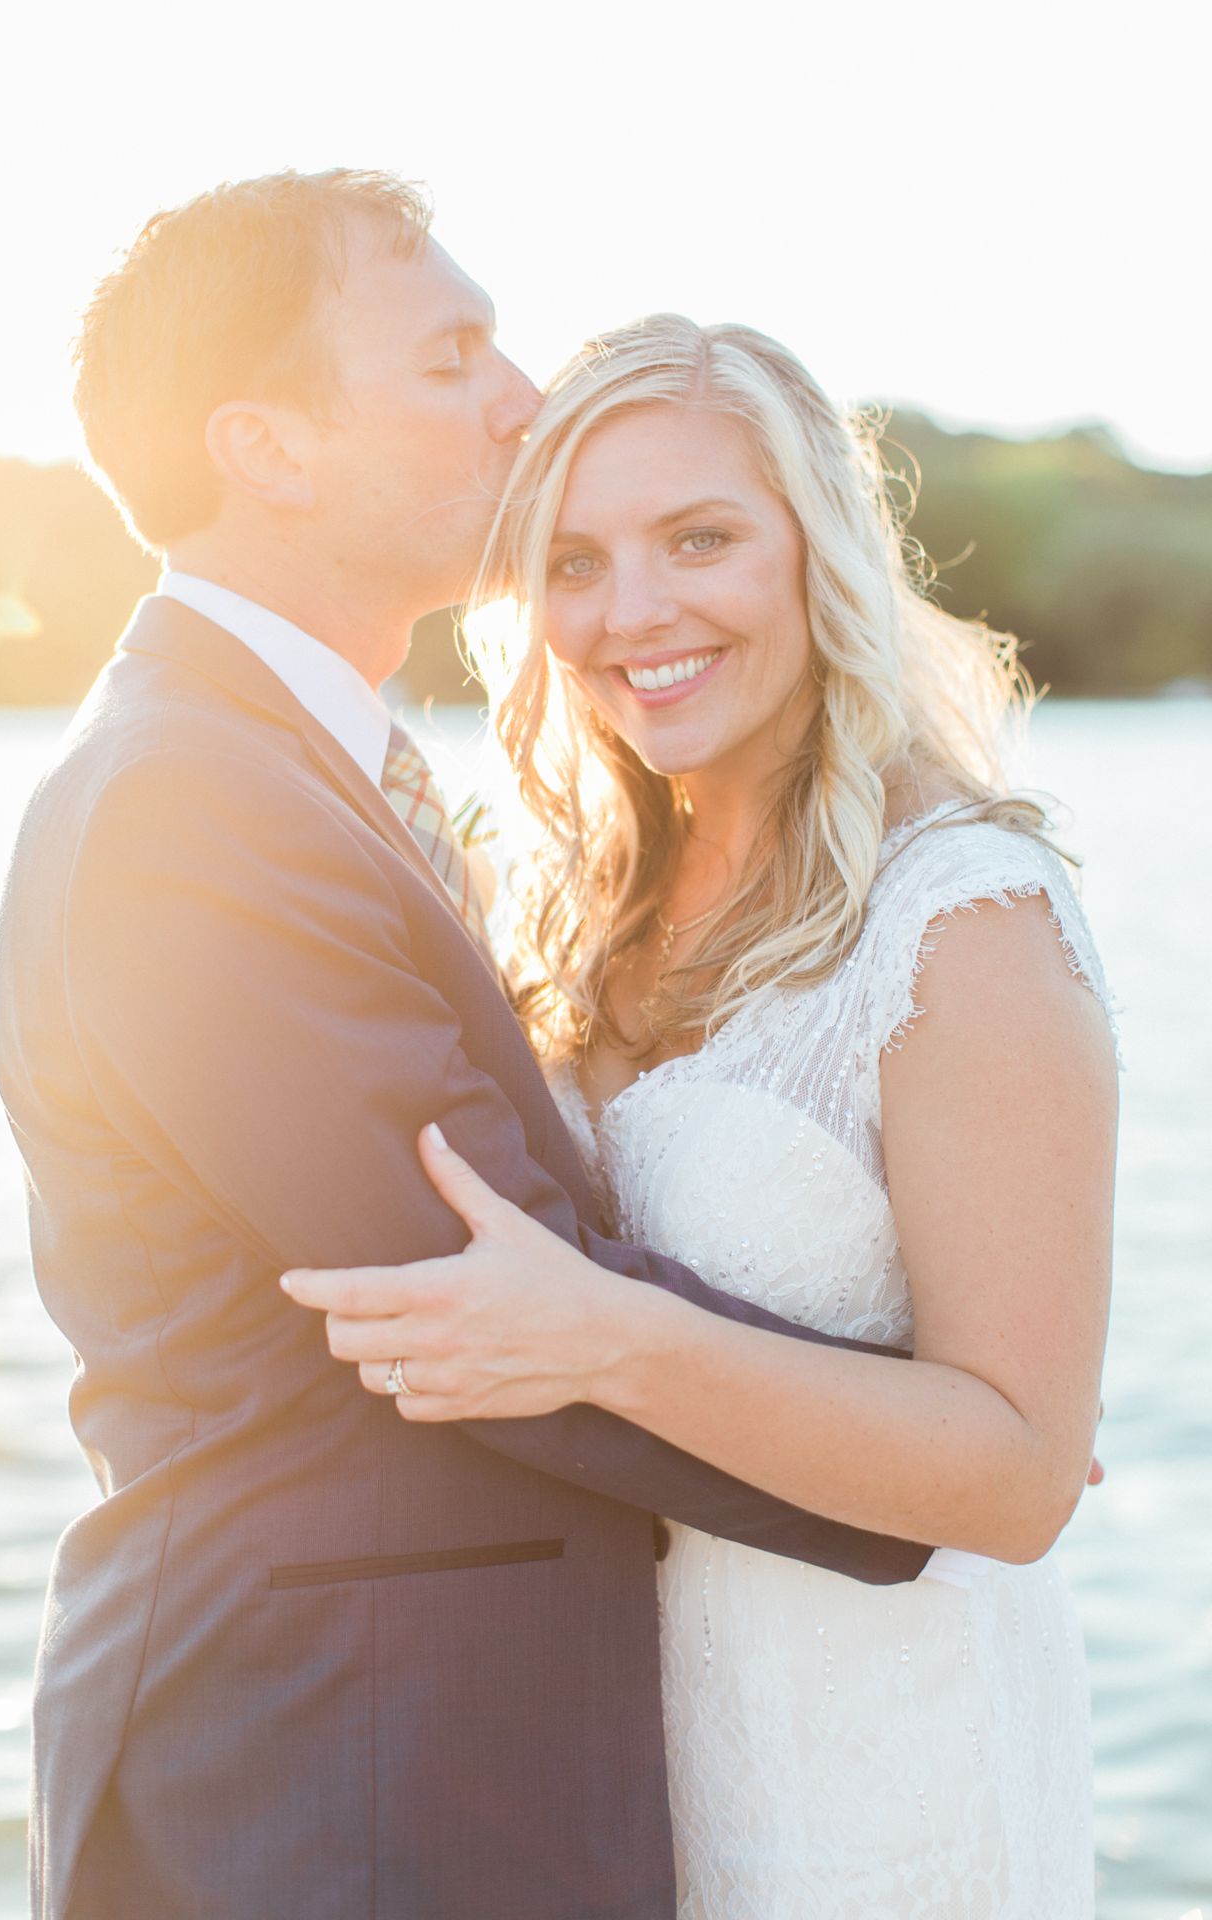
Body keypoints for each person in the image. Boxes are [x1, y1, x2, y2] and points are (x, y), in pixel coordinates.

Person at [0, 177, 936, 1920]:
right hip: (323, 1784)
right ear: (266, 446)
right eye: (451, 352)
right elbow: (478, 1276)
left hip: (411, 1764)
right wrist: (921, 1451)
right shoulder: (185, 808)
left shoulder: (292, 763)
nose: (523, 394)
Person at [285, 316, 1118, 1916]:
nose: (633, 613)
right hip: (610, 1777)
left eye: (701, 539)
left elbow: (1021, 1475)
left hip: (881, 1772)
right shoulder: (577, 912)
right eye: (578, 563)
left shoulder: (965, 920)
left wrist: (604, 1337)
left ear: (823, 550)